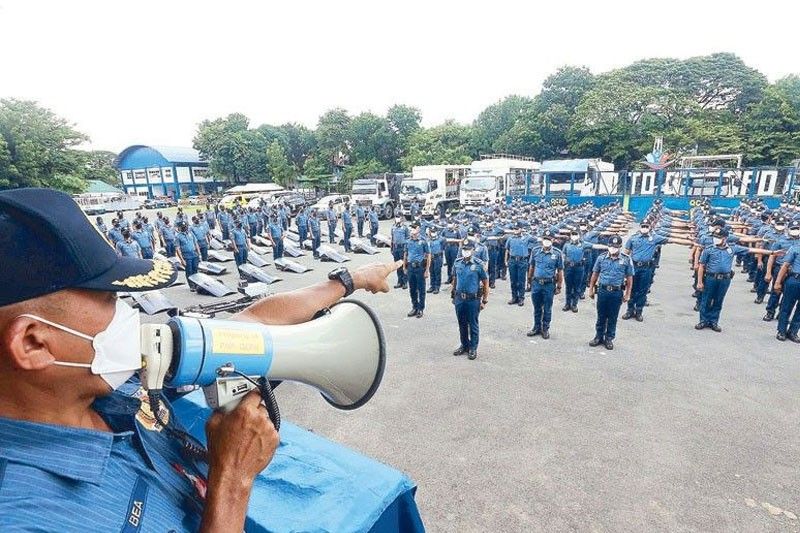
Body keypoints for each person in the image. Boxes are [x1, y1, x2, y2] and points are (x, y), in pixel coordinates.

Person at [0, 188, 402, 532]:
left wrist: (350, 279)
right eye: (109, 300)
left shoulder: (110, 384)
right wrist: (232, 481)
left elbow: (253, 322)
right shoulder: (27, 515)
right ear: (35, 344)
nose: (130, 316)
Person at [696, 229, 777, 332]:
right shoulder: (709, 249)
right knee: (706, 299)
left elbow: (752, 250)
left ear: (725, 238)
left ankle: (713, 321)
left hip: (725, 279)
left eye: (719, 237)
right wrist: (699, 282)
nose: (716, 239)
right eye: (715, 237)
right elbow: (702, 266)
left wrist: (772, 252)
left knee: (718, 300)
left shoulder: (732, 249)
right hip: (711, 278)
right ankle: (703, 320)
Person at [588, 235, 633, 350]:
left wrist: (628, 294)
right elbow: (595, 274)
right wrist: (591, 288)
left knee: (612, 317)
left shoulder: (626, 259)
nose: (613, 248)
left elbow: (629, 278)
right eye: (611, 246)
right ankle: (598, 336)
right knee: (601, 316)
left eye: (616, 247)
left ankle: (609, 338)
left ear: (620, 247)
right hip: (602, 291)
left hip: (616, 293)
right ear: (608, 246)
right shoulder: (601, 258)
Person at [451, 239, 489, 360]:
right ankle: (464, 345)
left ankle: (473, 348)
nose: (465, 252)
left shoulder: (478, 264)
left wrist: (484, 300)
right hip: (459, 299)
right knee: (461, 323)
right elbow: (455, 279)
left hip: (473, 300)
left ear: (472, 250)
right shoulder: (457, 263)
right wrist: (453, 295)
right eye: (464, 250)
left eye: (468, 250)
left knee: (473, 324)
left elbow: (485, 282)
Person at [526, 231, 563, 339]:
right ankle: (536, 327)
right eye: (545, 239)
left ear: (552, 240)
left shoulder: (557, 253)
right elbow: (532, 267)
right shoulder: (535, 251)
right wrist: (529, 281)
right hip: (536, 283)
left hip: (549, 285)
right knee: (537, 307)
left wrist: (559, 286)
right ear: (542, 240)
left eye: (549, 239)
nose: (546, 241)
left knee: (547, 308)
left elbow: (560, 271)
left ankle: (545, 328)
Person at [773, 230, 800, 342]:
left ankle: (793, 332)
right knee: (786, 306)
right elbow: (785, 266)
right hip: (794, 279)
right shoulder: (795, 248)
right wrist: (778, 282)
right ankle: (782, 331)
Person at [404, 225, 431, 318]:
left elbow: (428, 255)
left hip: (420, 268)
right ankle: (414, 307)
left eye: (414, 228)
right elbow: (405, 254)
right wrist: (405, 267)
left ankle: (420, 309)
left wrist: (427, 270)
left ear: (418, 230)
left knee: (421, 289)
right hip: (411, 267)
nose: (412, 230)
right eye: (411, 228)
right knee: (412, 289)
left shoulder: (423, 241)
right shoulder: (408, 241)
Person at [505, 224, 530, 306]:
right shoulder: (510, 238)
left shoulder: (526, 237)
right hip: (512, 260)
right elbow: (507, 250)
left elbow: (535, 239)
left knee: (521, 281)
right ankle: (514, 297)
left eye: (517, 229)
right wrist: (506, 260)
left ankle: (521, 298)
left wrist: (526, 233)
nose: (515, 230)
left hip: (522, 261)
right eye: (514, 229)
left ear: (521, 229)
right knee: (513, 281)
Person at [176, 222, 201, 290]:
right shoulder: (178, 236)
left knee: (195, 269)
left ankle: (196, 284)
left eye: (185, 226)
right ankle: (192, 286)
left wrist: (199, 254)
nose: (185, 227)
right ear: (180, 228)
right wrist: (182, 260)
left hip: (194, 254)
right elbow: (178, 249)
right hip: (186, 256)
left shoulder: (191, 233)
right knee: (189, 271)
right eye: (183, 227)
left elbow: (196, 243)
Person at [391, 216, 410, 289]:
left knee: (404, 265)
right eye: (396, 217)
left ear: (401, 218)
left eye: (398, 217)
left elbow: (408, 238)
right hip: (396, 248)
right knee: (397, 265)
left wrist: (406, 249)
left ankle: (405, 282)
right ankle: (399, 281)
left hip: (402, 248)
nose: (397, 218)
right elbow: (392, 238)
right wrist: (392, 248)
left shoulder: (405, 228)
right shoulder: (393, 227)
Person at [427, 228, 446, 294]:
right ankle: (432, 286)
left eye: (434, 232)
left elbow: (443, 247)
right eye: (432, 232)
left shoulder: (441, 239)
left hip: (438, 257)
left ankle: (437, 287)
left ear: (437, 232)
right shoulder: (428, 239)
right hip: (430, 257)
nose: (433, 233)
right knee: (431, 272)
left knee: (437, 272)